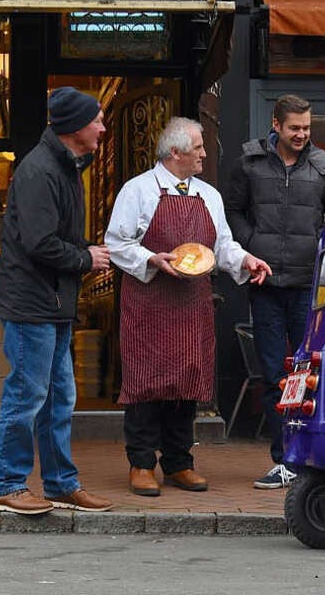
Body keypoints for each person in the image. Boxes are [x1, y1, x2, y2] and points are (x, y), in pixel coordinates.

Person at [106, 117, 271, 497]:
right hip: (148, 303)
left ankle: (179, 462)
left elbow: (222, 245)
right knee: (145, 382)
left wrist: (245, 260)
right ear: (175, 151)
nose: (204, 154)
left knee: (186, 380)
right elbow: (116, 243)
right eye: (198, 147)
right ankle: (141, 463)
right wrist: (151, 259)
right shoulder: (138, 190)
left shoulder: (209, 195)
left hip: (192, 303)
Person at [0, 87, 114, 516]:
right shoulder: (39, 172)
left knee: (59, 397)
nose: (103, 128)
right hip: (32, 303)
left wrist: (85, 252)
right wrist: (86, 258)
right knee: (27, 395)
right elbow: (39, 242)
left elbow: (55, 237)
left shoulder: (65, 167)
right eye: (97, 120)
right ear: (75, 126)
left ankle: (60, 484)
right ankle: (7, 484)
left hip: (52, 302)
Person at [225, 93, 325, 490]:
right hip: (264, 284)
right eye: (295, 128)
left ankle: (307, 457)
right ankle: (284, 459)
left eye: (307, 128)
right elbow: (231, 211)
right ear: (276, 125)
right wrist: (252, 243)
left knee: (307, 374)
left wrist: (320, 249)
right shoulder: (249, 163)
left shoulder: (324, 165)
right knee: (272, 375)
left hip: (308, 287)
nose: (302, 134)